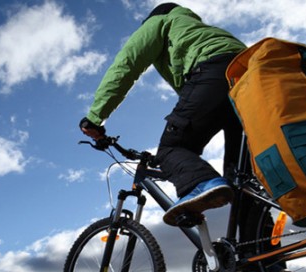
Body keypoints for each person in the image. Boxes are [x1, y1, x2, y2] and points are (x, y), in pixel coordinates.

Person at [79, 3, 246, 227]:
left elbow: (125, 66)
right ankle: (259, 255)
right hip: (250, 80)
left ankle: (202, 184)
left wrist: (95, 118)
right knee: (242, 182)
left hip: (213, 72)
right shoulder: (195, 28)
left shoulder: (158, 23)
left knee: (172, 149)